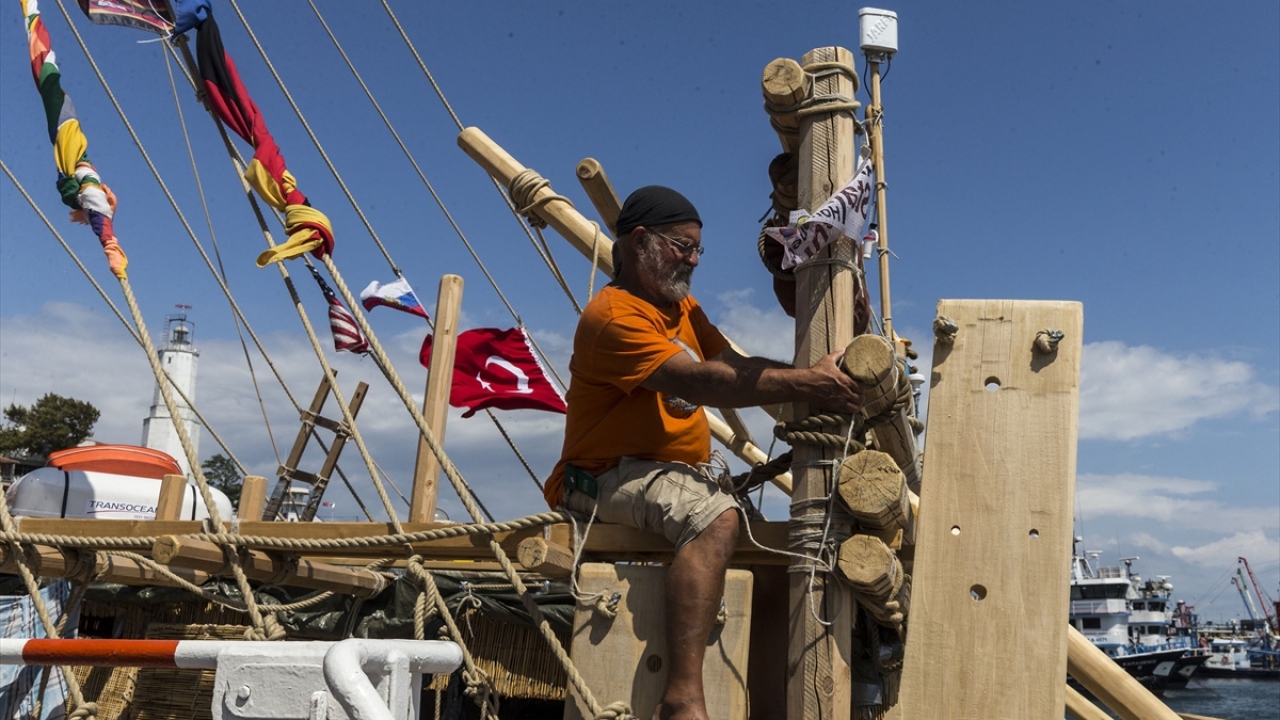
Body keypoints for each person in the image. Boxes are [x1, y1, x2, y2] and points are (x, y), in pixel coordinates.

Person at [546, 185, 862, 720]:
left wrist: (805, 375)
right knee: (715, 519)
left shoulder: (680, 305)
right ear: (639, 241)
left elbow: (731, 362)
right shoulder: (613, 317)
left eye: (698, 249)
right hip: (600, 478)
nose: (692, 260)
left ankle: (768, 709)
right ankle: (683, 699)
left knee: (768, 564)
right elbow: (701, 380)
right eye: (681, 246)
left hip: (669, 472)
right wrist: (807, 382)